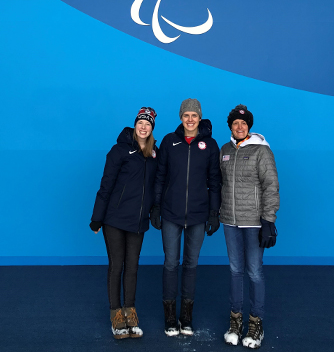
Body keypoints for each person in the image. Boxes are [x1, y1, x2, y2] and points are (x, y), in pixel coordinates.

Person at [151, 99, 221, 337]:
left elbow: (214, 181)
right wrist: (156, 207)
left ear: (200, 118)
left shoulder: (210, 145)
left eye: (194, 115)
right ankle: (170, 315)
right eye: (186, 115)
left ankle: (186, 316)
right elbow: (160, 176)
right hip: (171, 213)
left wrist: (214, 212)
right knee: (171, 263)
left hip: (199, 215)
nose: (190, 119)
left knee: (191, 264)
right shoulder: (169, 142)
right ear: (181, 117)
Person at [89, 107, 158, 340]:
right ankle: (116, 315)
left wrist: (154, 211)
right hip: (114, 220)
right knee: (116, 266)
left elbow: (156, 187)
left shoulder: (153, 154)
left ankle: (130, 312)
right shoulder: (119, 150)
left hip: (138, 222)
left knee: (132, 268)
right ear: (135, 125)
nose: (143, 127)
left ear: (151, 129)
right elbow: (106, 184)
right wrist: (97, 217)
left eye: (148, 124)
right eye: (141, 122)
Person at [220, 104, 279, 349]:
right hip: (230, 221)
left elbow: (271, 186)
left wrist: (269, 221)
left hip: (254, 222)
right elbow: (217, 182)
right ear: (231, 127)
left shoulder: (261, 151)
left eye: (243, 123)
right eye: (235, 123)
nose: (240, 126)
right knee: (235, 270)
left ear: (249, 127)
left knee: (254, 271)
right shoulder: (224, 150)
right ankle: (236, 321)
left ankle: (256, 323)